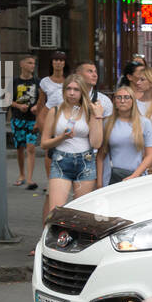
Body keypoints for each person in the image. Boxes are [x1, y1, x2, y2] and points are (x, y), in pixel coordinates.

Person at [38, 74, 104, 215]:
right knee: (56, 212)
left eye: (76, 89)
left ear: (82, 92)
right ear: (64, 91)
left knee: (81, 213)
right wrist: (61, 137)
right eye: (68, 89)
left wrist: (98, 117)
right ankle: (55, 237)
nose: (72, 93)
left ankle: (75, 238)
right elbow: (44, 144)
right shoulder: (55, 111)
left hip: (85, 162)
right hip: (61, 161)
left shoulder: (89, 111)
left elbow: (97, 143)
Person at [99, 86, 152, 185]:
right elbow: (100, 155)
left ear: (133, 100)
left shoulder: (144, 123)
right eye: (118, 97)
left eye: (126, 97)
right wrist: (99, 183)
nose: (122, 101)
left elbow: (150, 155)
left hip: (137, 177)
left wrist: (134, 176)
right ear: (114, 101)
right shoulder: (107, 123)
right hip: (111, 178)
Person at [10, 54, 40, 188]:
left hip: (32, 120)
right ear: (21, 64)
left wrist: (37, 107)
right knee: (20, 148)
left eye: (33, 63)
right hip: (18, 119)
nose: (32, 66)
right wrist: (18, 106)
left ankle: (29, 179)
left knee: (31, 147)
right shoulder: (14, 82)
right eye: (29, 63)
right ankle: (21, 174)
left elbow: (42, 99)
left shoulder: (37, 82)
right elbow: (7, 99)